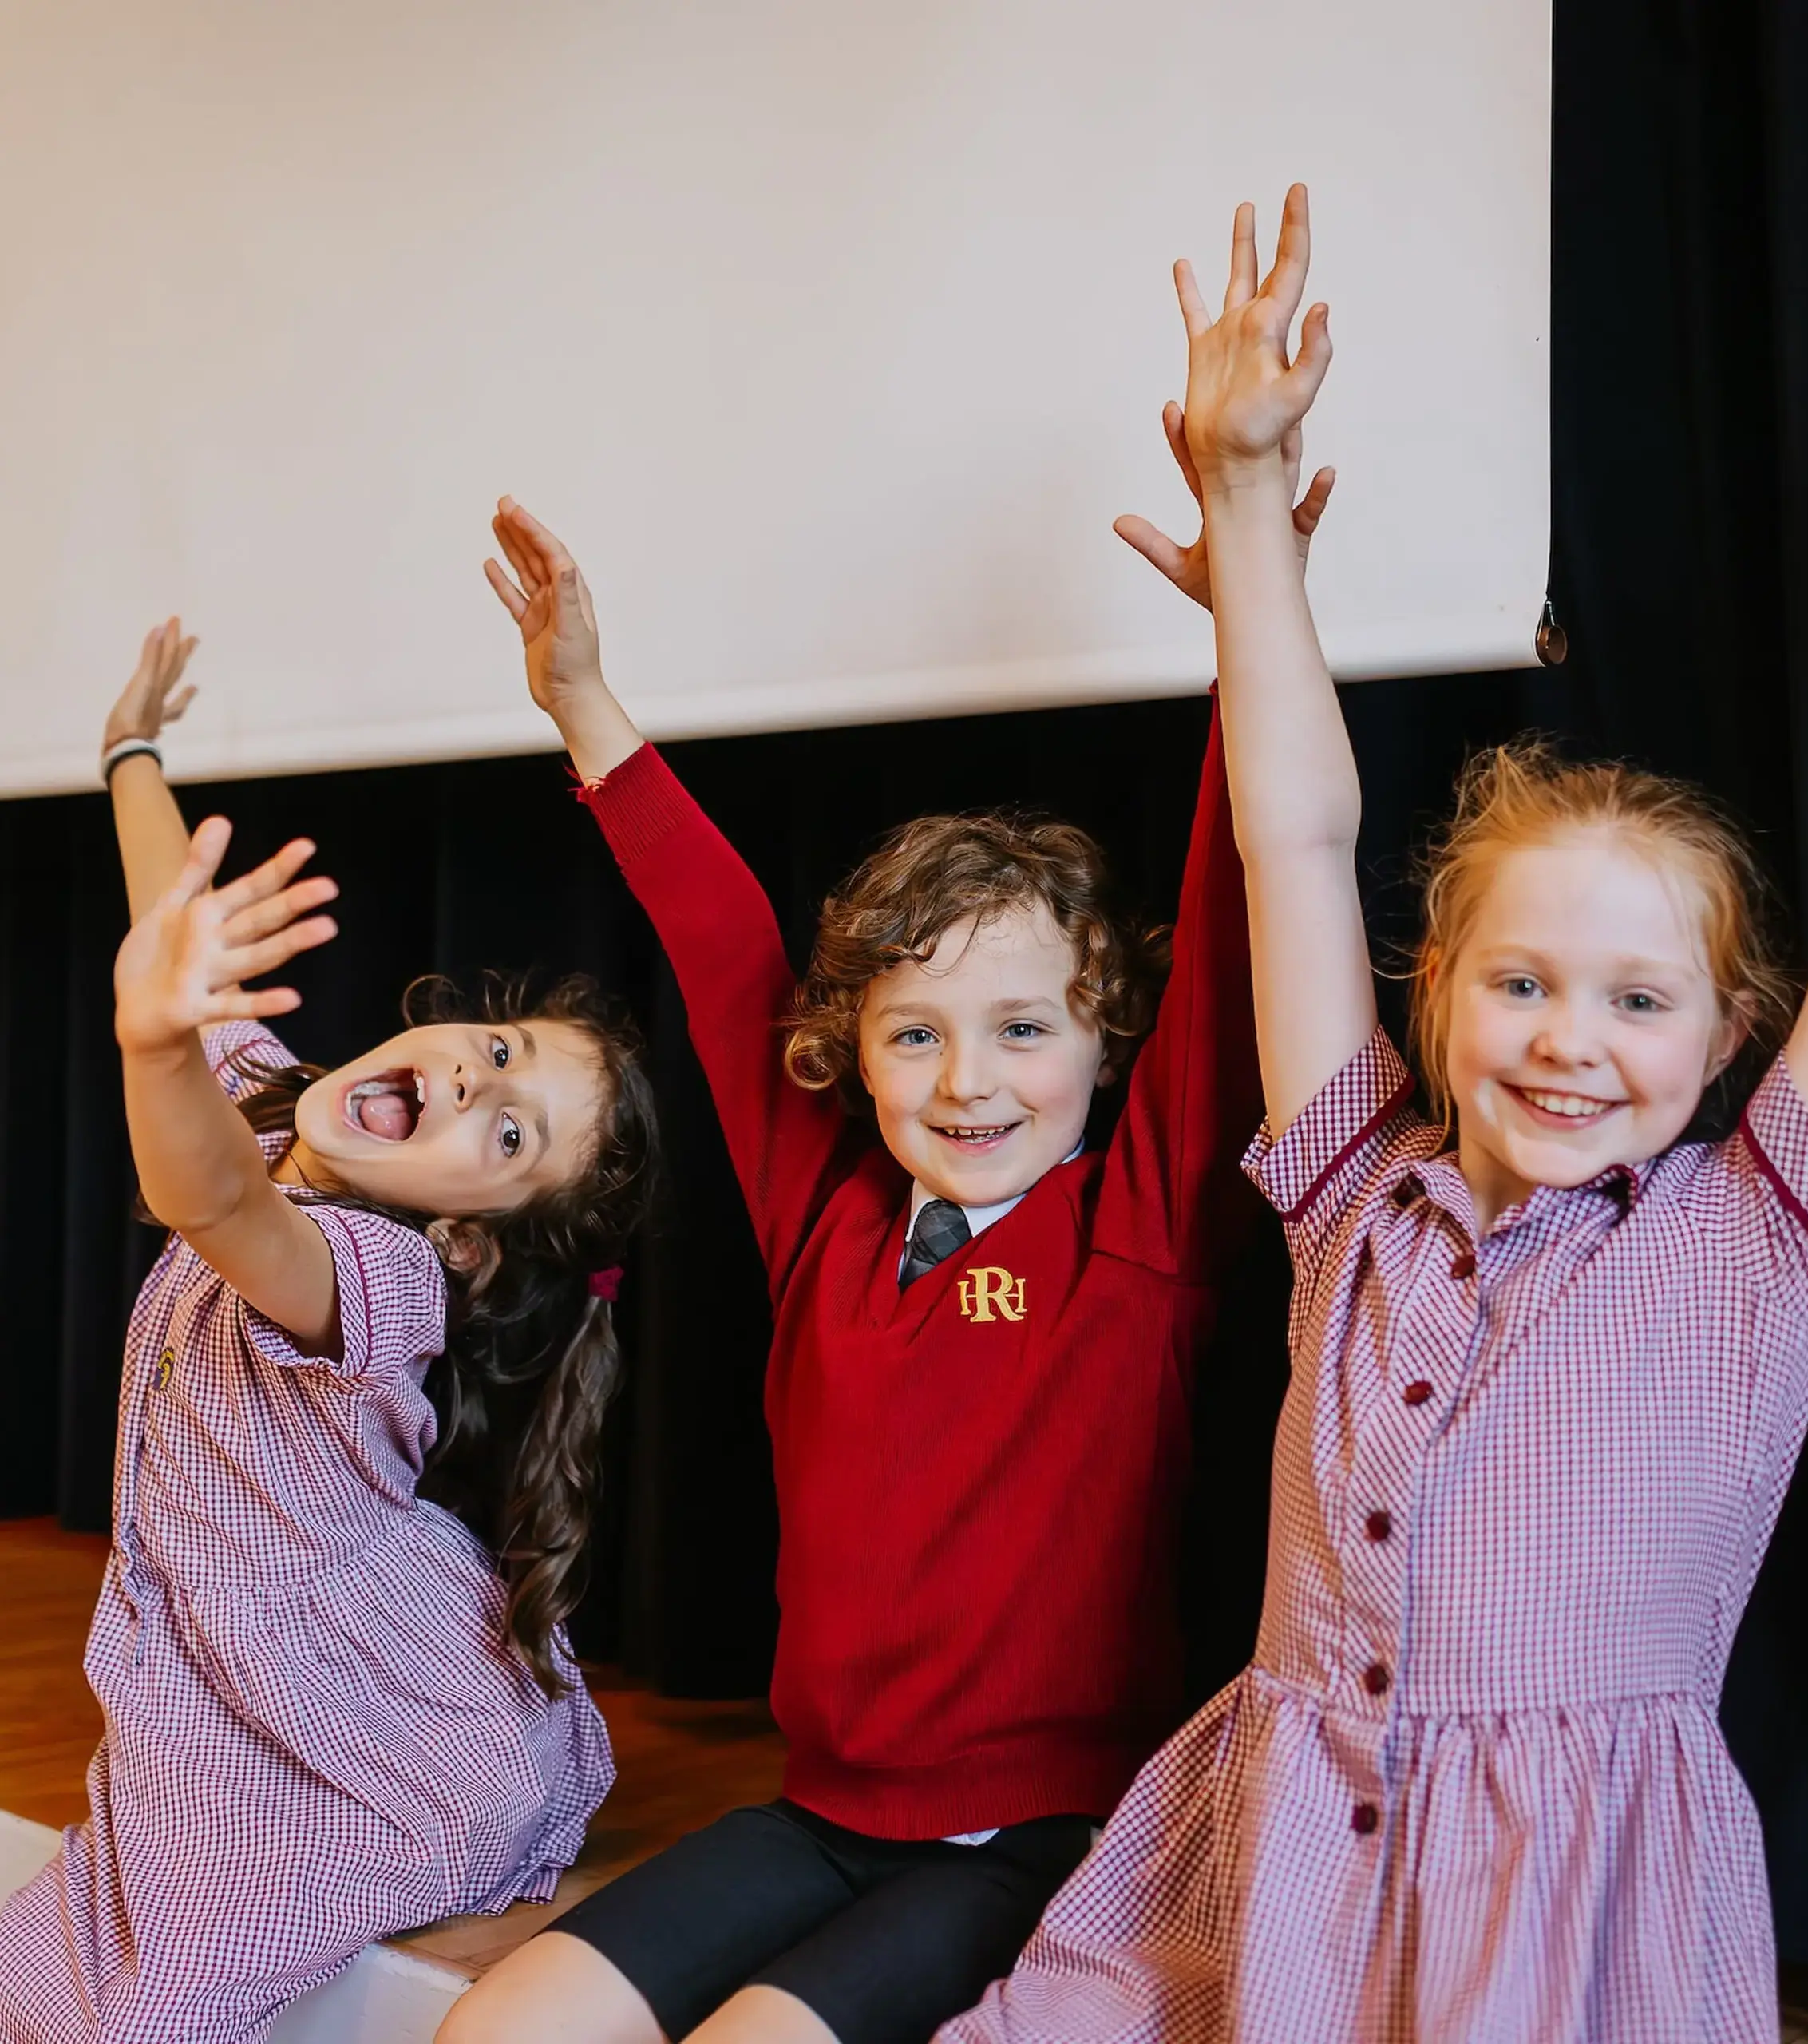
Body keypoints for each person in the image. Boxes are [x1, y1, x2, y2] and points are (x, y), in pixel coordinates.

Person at [940, 189, 1808, 2042]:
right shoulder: (1353, 1188)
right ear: (1437, 989)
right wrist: (1252, 508)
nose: (1570, 1038)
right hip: (1278, 1884)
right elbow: (1298, 836)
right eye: (1520, 982)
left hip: (1553, 1927)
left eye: (1637, 998)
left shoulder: (1762, 1235)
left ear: (1729, 1032)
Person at [435, 452, 1329, 2044]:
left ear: (1106, 1033)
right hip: (822, 1813)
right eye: (915, 1032)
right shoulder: (829, 1217)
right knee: (496, 2027)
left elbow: (1258, 874)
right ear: (852, 1049)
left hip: (1040, 1841)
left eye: (1022, 1026)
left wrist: (1254, 615)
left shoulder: (1136, 1231)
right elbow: (721, 950)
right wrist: (585, 701)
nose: (969, 1078)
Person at [0, 624, 657, 2043]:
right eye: (494, 1053)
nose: (470, 1083)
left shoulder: (383, 1272)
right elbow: (177, 924)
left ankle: (484, 1835)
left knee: (152, 2004)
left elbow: (217, 1201)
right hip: (219, 1658)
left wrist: (147, 1042)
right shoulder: (276, 1098)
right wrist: (131, 750)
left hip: (342, 1711)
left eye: (506, 1130)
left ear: (473, 1234)